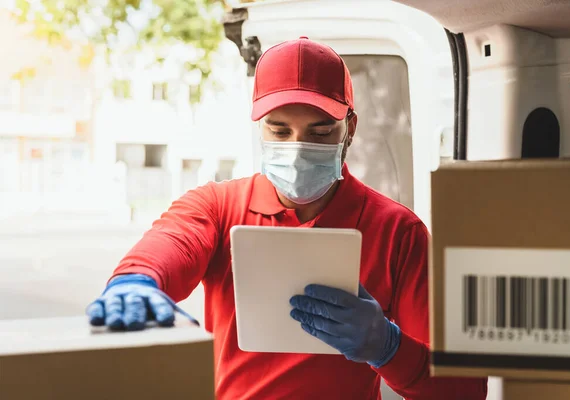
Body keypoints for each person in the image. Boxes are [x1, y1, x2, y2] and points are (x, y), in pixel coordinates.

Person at [86, 37, 487, 400]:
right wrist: (135, 280)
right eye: (280, 131)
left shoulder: (398, 232)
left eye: (320, 132)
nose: (298, 150)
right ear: (260, 129)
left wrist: (389, 347)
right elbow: (171, 243)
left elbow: (465, 391)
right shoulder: (218, 206)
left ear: (350, 129)